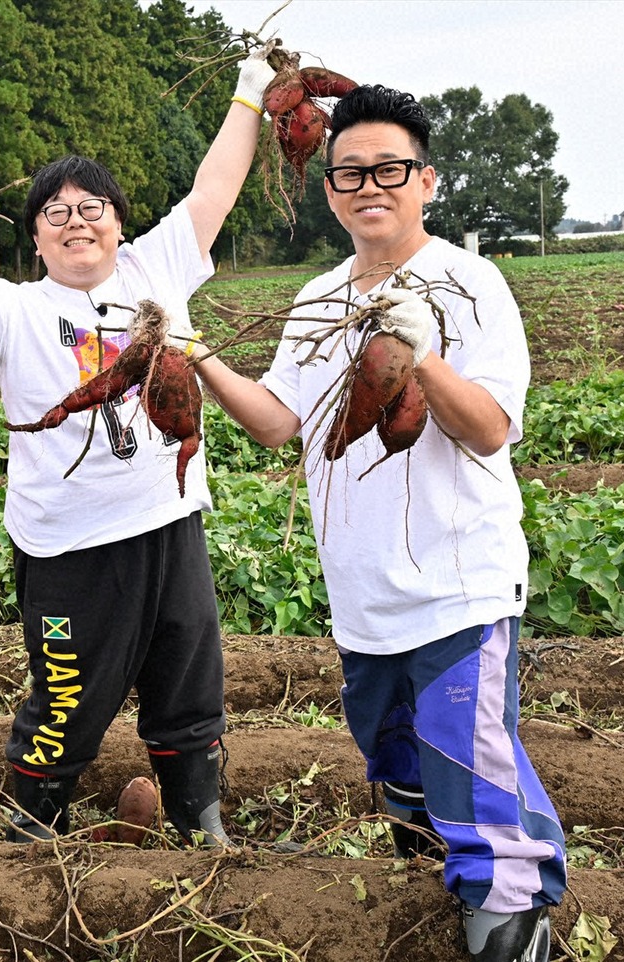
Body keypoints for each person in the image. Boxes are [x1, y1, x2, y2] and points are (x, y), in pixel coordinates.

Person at [0, 48, 282, 848]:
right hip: (69, 545)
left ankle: (204, 827)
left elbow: (213, 191)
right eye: (54, 212)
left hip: (169, 526)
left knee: (189, 683)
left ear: (120, 223)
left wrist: (249, 94)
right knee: (65, 699)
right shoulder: (12, 307)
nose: (76, 220)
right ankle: (34, 830)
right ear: (35, 241)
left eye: (92, 205)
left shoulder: (153, 269)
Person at [192, 86, 565, 960]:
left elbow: (490, 429)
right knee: (399, 771)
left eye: (390, 169)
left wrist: (419, 352)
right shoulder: (319, 297)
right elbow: (282, 422)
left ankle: (511, 924)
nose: (371, 186)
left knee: (470, 776)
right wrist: (196, 353)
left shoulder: (471, 284)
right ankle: (434, 914)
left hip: (456, 588)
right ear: (328, 190)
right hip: (361, 592)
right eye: (350, 172)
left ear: (426, 180)